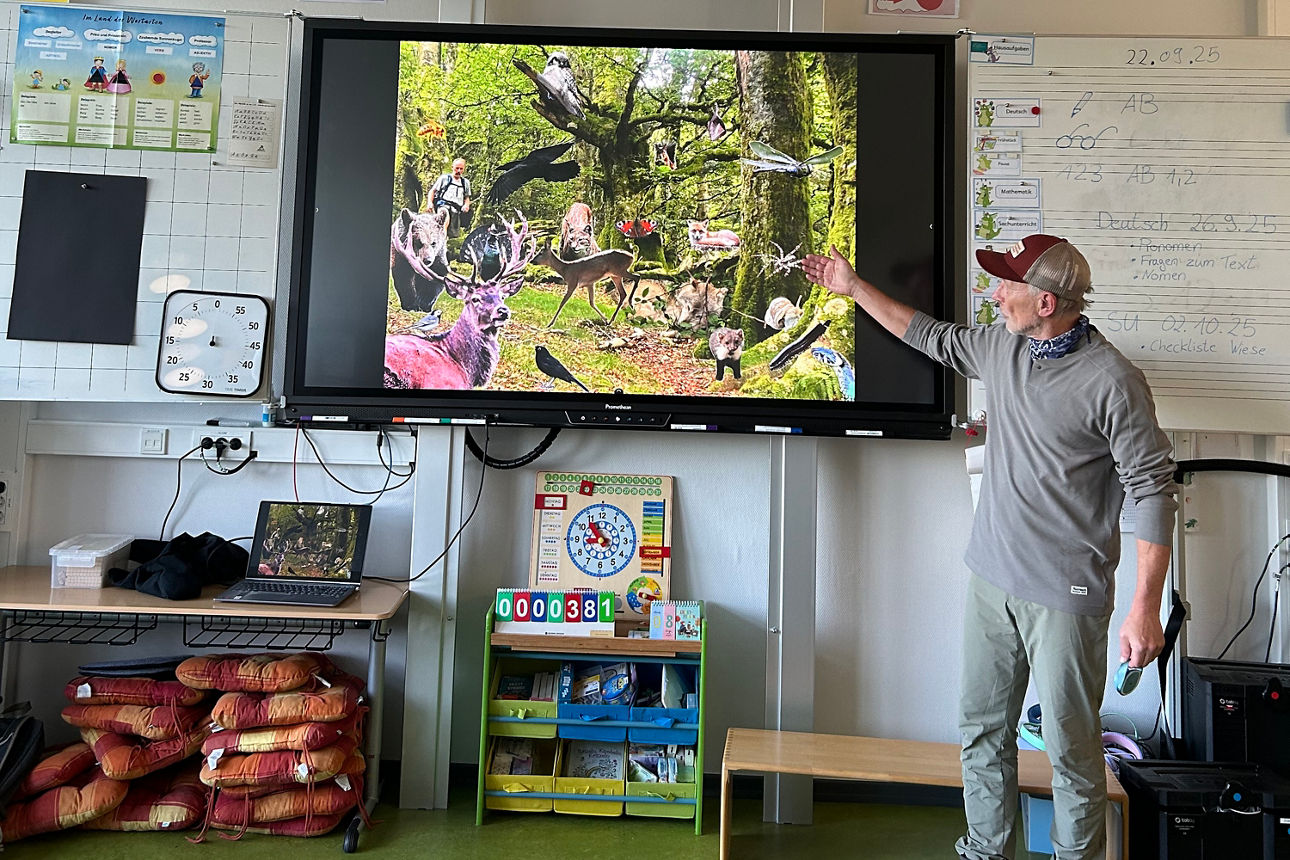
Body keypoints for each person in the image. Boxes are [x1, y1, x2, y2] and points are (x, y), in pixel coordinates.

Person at [803, 235, 1177, 860]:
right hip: (991, 579)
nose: (996, 294)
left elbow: (1155, 490)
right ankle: (985, 850)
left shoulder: (1114, 381)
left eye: (1008, 285)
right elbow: (929, 335)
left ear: (1047, 303)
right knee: (981, 733)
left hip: (1066, 596)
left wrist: (1144, 608)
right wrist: (852, 286)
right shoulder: (1004, 347)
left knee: (1071, 750)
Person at [428, 158, 472, 238]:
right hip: (443, 205)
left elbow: (467, 197)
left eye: (461, 169)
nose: (458, 171)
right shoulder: (444, 178)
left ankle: (446, 242)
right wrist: (430, 203)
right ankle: (441, 241)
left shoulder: (465, 183)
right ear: (452, 167)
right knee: (445, 221)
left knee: (454, 234)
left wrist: (466, 205)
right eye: (457, 168)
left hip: (456, 210)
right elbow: (432, 191)